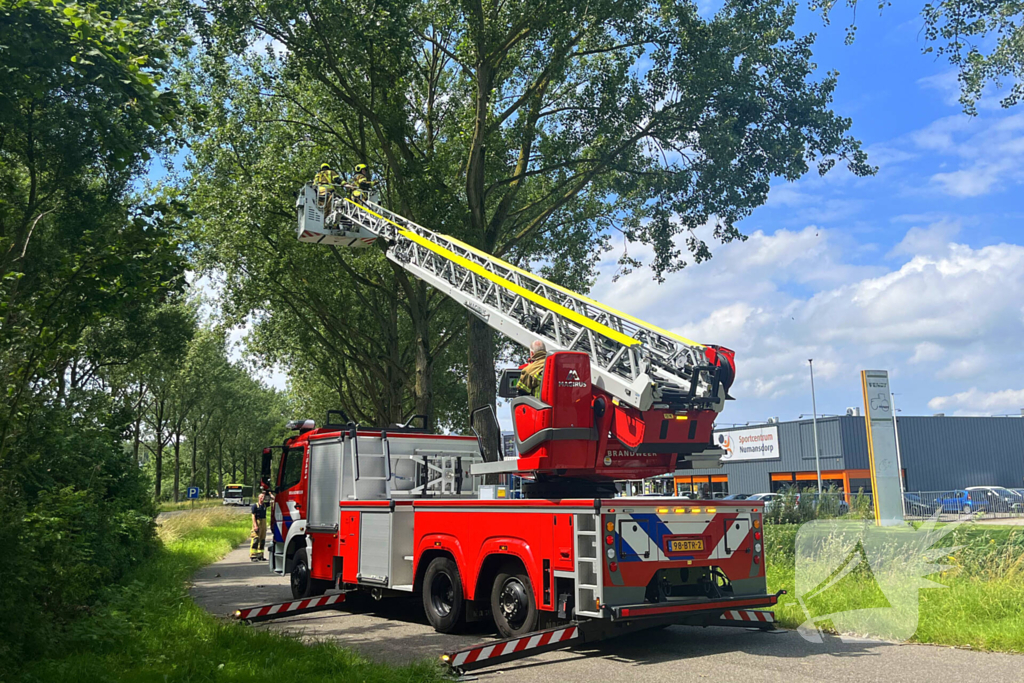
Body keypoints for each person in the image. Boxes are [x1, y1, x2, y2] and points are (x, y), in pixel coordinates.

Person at [250, 491, 271, 562]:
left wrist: (270, 494)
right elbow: (253, 516)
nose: (263, 498)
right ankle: (253, 556)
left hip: (263, 523)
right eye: (261, 497)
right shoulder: (255, 506)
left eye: (263, 497)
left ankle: (260, 555)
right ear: (259, 498)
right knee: (256, 539)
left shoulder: (264, 505)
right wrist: (255, 525)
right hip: (257, 522)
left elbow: (274, 500)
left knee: (262, 540)